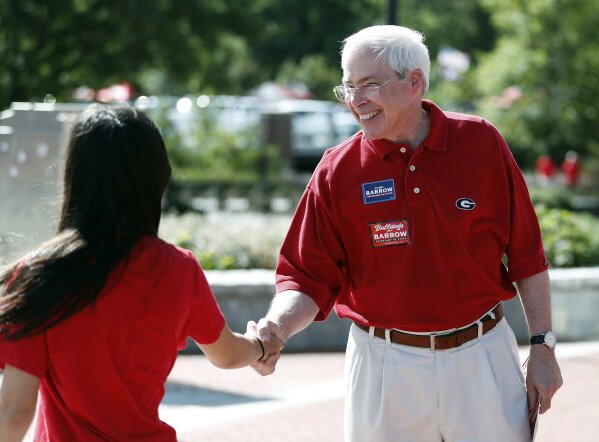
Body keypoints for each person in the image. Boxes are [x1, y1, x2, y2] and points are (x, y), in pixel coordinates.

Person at [248, 25, 562, 441]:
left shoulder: (481, 143)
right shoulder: (336, 171)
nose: (356, 101)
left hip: (483, 360)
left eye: (369, 85)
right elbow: (307, 277)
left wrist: (543, 345)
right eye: (347, 88)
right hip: (382, 369)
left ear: (414, 82)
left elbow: (526, 253)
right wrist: (276, 326)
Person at [0, 105, 283, 441]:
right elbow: (228, 354)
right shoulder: (178, 269)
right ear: (157, 178)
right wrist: (261, 347)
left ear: (75, 176)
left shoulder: (39, 276)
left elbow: (15, 411)